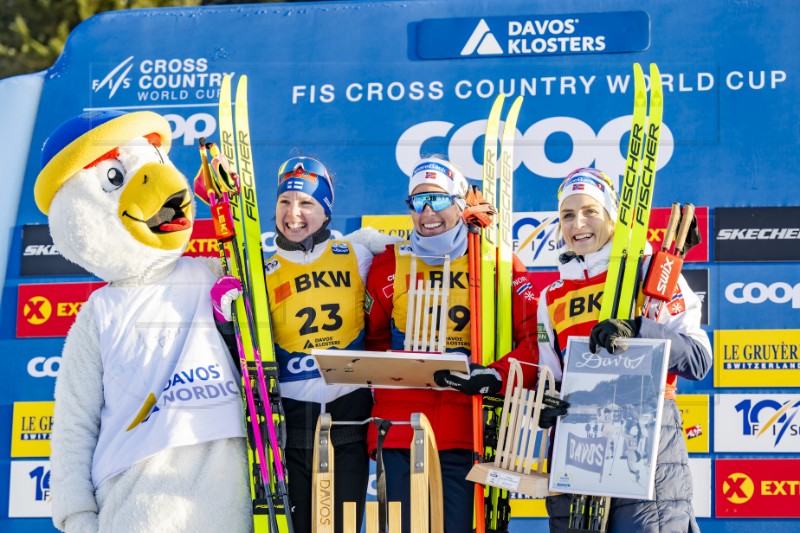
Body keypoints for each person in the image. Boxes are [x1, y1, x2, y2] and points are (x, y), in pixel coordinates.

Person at [363, 156, 543, 533]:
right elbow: (373, 343)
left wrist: (495, 376)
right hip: (399, 431)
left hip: (467, 430)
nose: (428, 211)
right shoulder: (388, 265)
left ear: (461, 205)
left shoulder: (497, 263)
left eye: (440, 200)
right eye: (418, 201)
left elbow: (536, 346)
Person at [537, 168, 712, 533]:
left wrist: (639, 329)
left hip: (645, 445)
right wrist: (545, 404)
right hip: (579, 450)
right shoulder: (552, 296)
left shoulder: (650, 272)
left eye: (590, 211)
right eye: (567, 215)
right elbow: (549, 375)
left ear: (611, 216)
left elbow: (698, 359)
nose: (578, 224)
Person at [214, 156, 373, 533]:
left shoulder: (358, 255)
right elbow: (243, 356)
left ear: (326, 211)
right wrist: (225, 321)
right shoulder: (262, 272)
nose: (294, 213)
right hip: (289, 427)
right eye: (285, 202)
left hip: (349, 422)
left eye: (307, 204)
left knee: (343, 528)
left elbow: (421, 255)